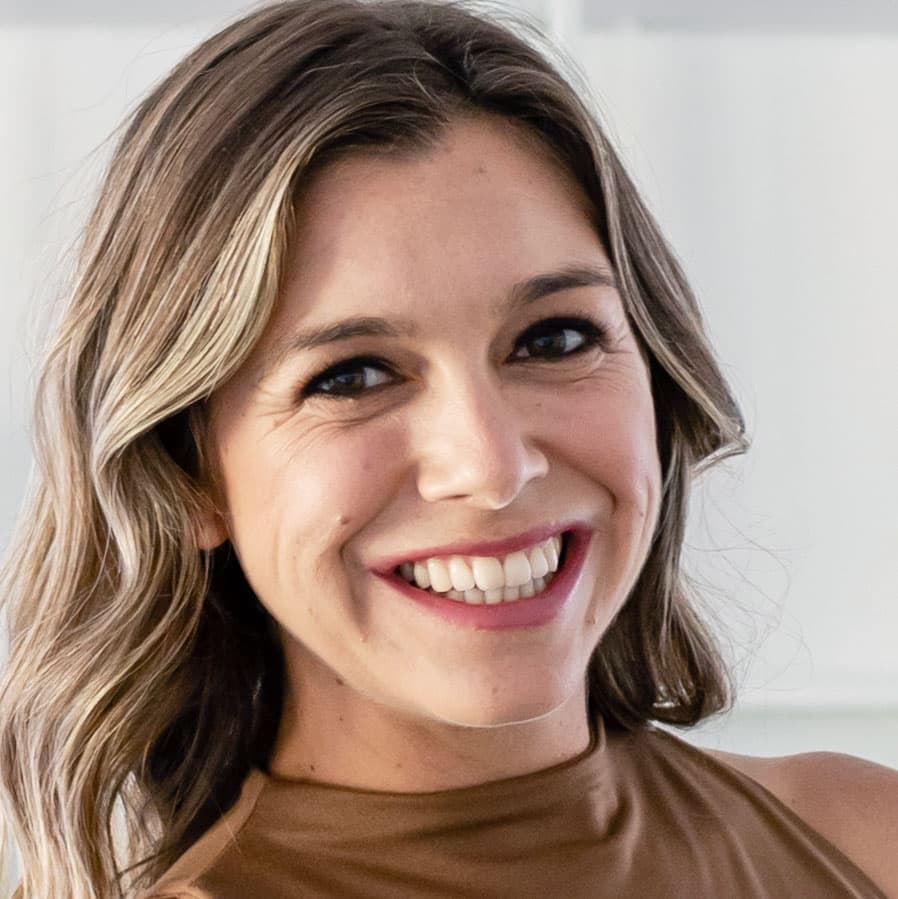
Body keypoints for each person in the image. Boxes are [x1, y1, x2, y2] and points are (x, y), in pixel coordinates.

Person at [0, 1, 896, 897]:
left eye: (553, 339)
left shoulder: (865, 841)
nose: (493, 466)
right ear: (187, 474)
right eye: (352, 376)